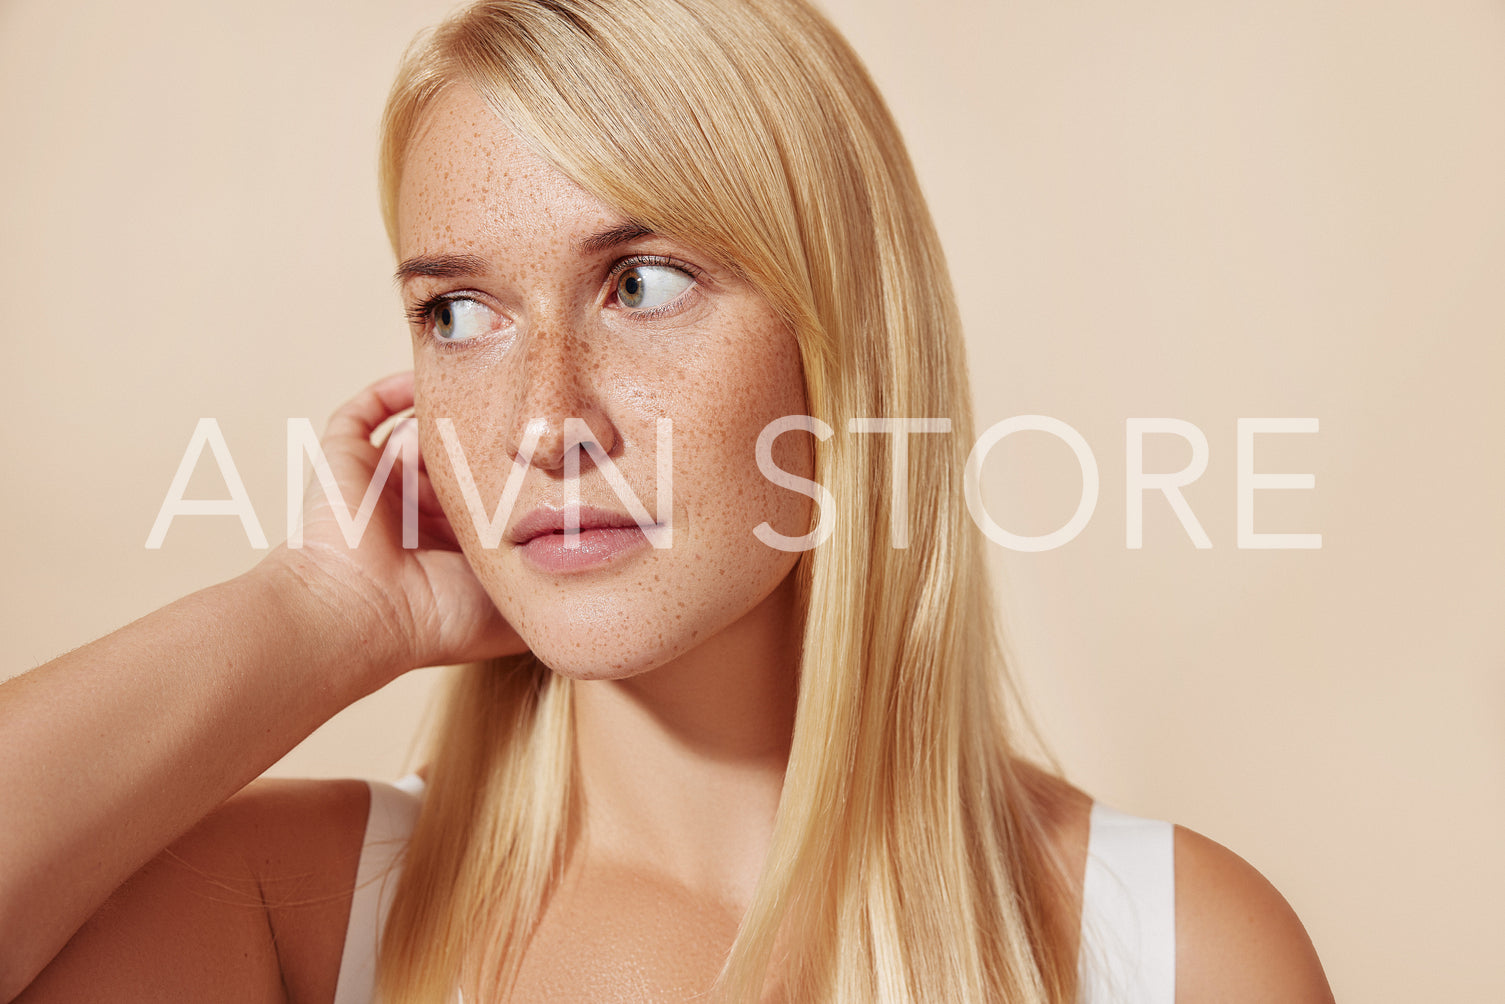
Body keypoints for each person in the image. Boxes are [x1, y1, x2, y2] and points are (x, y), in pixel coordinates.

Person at [0, 1, 1336, 1001]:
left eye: (640, 283)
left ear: (842, 338)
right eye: (458, 313)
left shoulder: (1172, 953)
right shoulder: (291, 910)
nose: (542, 419)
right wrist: (321, 610)